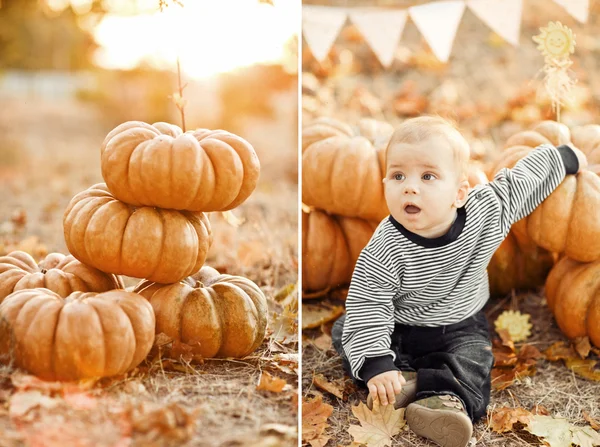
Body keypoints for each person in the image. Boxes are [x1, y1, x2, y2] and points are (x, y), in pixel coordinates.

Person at [331, 116, 586, 447]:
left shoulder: (484, 212)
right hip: (401, 323)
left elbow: (519, 183)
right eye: (397, 175)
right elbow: (370, 303)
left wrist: (562, 158)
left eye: (428, 176)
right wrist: (377, 362)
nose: (410, 186)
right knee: (352, 330)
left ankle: (440, 400)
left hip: (459, 323)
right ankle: (396, 376)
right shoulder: (384, 249)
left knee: (474, 357)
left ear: (460, 193)